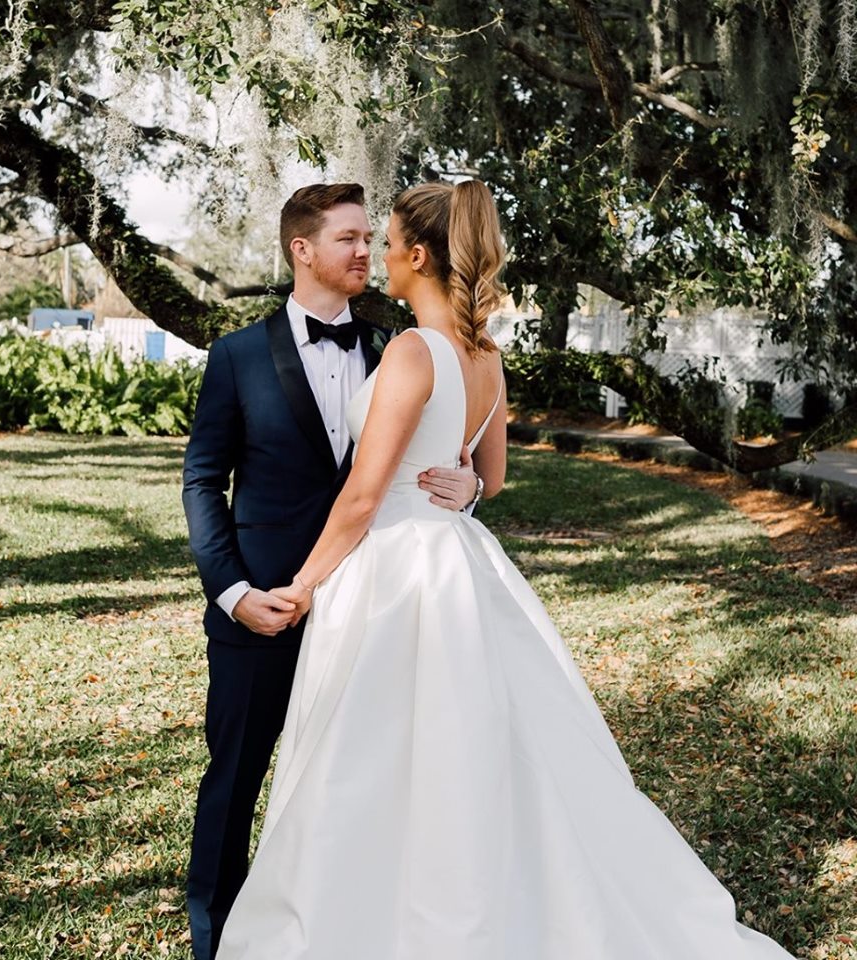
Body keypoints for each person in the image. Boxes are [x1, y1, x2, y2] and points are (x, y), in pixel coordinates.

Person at [213, 180, 799, 959]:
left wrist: (303, 584)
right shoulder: (487, 356)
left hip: (398, 569)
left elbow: (362, 495)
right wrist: (466, 490)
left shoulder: (413, 351)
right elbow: (491, 475)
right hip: (458, 560)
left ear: (419, 256)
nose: (379, 255)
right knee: (467, 743)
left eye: (388, 242)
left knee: (376, 751)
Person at [181, 181, 480, 960]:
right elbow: (201, 481)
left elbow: (438, 458)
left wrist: (473, 485)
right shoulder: (237, 356)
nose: (363, 252)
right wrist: (234, 592)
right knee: (234, 782)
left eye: (368, 237)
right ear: (302, 249)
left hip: (372, 611)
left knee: (361, 785)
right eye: (347, 238)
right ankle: (215, 940)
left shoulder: (398, 347)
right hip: (264, 608)